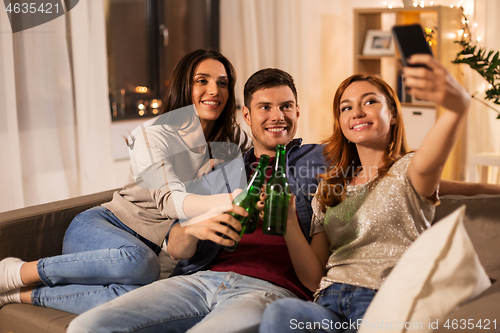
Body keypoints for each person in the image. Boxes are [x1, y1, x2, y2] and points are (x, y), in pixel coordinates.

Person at [66, 68, 327, 333]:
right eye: (265, 107)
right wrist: (194, 229)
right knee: (87, 326)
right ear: (247, 115)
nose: (277, 116)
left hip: (268, 289)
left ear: (297, 112)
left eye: (286, 106)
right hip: (200, 280)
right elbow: (178, 248)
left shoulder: (321, 160)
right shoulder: (222, 171)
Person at [0, 49, 250, 314]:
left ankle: (23, 295)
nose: (214, 90)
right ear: (184, 86)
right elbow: (170, 202)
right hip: (101, 229)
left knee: (146, 298)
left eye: (222, 83)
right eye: (202, 80)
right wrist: (232, 199)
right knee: (142, 263)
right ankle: (19, 272)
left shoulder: (228, 143)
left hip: (151, 250)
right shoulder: (153, 135)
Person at [258, 54, 473, 333]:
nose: (357, 112)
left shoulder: (409, 171)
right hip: (328, 303)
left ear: (393, 114)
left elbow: (436, 153)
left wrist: (457, 107)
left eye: (370, 102)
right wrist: (287, 222)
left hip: (383, 302)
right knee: (280, 313)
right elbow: (312, 277)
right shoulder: (329, 189)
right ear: (342, 124)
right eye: (346, 107)